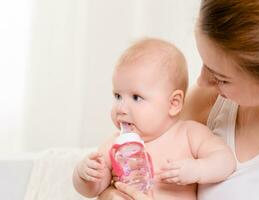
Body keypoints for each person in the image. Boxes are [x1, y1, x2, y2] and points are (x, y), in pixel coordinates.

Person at [98, 0, 259, 199]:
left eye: (221, 78)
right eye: (205, 63)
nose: (201, 82)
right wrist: (110, 193)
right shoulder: (208, 102)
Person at [72, 38, 236, 199]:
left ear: (173, 103)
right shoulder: (114, 146)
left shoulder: (190, 134)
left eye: (136, 97)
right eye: (117, 96)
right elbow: (91, 190)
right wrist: (84, 175)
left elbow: (226, 161)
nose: (120, 108)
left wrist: (198, 169)